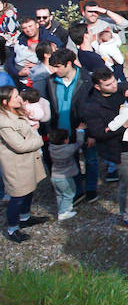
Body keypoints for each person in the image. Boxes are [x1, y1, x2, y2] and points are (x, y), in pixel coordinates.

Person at [82, 68, 128, 227]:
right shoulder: (92, 106)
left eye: (114, 81)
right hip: (123, 151)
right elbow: (98, 133)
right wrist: (123, 126)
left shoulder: (125, 88)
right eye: (108, 84)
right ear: (98, 87)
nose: (114, 86)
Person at [43, 49, 95, 204]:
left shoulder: (87, 79)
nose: (55, 70)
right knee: (70, 162)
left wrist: (92, 133)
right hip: (62, 131)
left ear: (69, 64)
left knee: (91, 159)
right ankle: (77, 191)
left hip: (84, 128)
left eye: (58, 66)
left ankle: (91, 189)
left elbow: (93, 108)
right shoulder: (51, 81)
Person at [0, 86, 46, 242]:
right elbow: (20, 146)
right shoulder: (4, 123)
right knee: (18, 196)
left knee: (29, 190)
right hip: (16, 165)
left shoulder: (15, 112)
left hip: (26, 161)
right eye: (15, 97)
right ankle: (13, 228)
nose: (20, 98)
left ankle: (25, 218)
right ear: (5, 102)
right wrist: (40, 139)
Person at [47, 126, 80, 220]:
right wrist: (80, 131)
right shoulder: (68, 149)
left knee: (60, 194)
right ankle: (63, 213)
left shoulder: (51, 148)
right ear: (65, 140)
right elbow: (79, 143)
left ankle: (62, 209)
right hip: (65, 178)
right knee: (69, 194)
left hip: (54, 176)